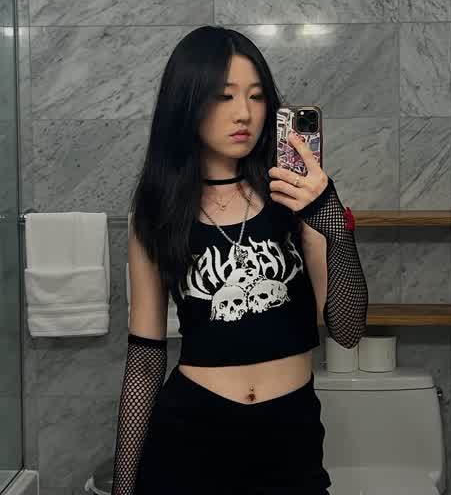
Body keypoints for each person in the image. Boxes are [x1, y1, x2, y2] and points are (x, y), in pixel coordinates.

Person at [110, 25, 369, 495]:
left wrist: (332, 223)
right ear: (187, 102)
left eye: (256, 96)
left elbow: (348, 331)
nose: (244, 113)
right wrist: (123, 487)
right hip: (189, 438)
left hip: (289, 438)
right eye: (224, 96)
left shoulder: (296, 196)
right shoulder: (156, 211)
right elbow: (145, 361)